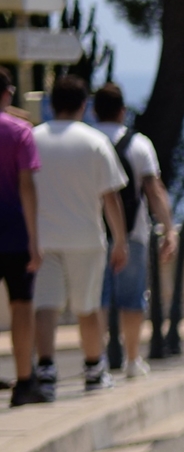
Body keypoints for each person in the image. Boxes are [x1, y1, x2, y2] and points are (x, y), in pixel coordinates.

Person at [27, 71, 129, 398]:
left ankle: (45, 369)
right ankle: (93, 368)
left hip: (43, 238)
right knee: (87, 307)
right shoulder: (95, 142)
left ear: (51, 104)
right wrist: (121, 240)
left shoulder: (34, 139)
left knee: (45, 306)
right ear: (84, 105)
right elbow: (110, 197)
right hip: (86, 238)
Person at [89, 82, 173, 377]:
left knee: (95, 300)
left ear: (94, 110)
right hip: (134, 233)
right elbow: (154, 188)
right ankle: (133, 359)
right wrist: (169, 229)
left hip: (93, 234)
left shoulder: (89, 140)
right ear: (122, 111)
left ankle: (95, 361)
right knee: (132, 298)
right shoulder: (139, 144)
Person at [0, 67, 42, 407]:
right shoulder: (20, 133)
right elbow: (27, 185)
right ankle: (24, 381)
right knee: (22, 306)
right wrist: (34, 238)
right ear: (7, 93)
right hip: (14, 231)